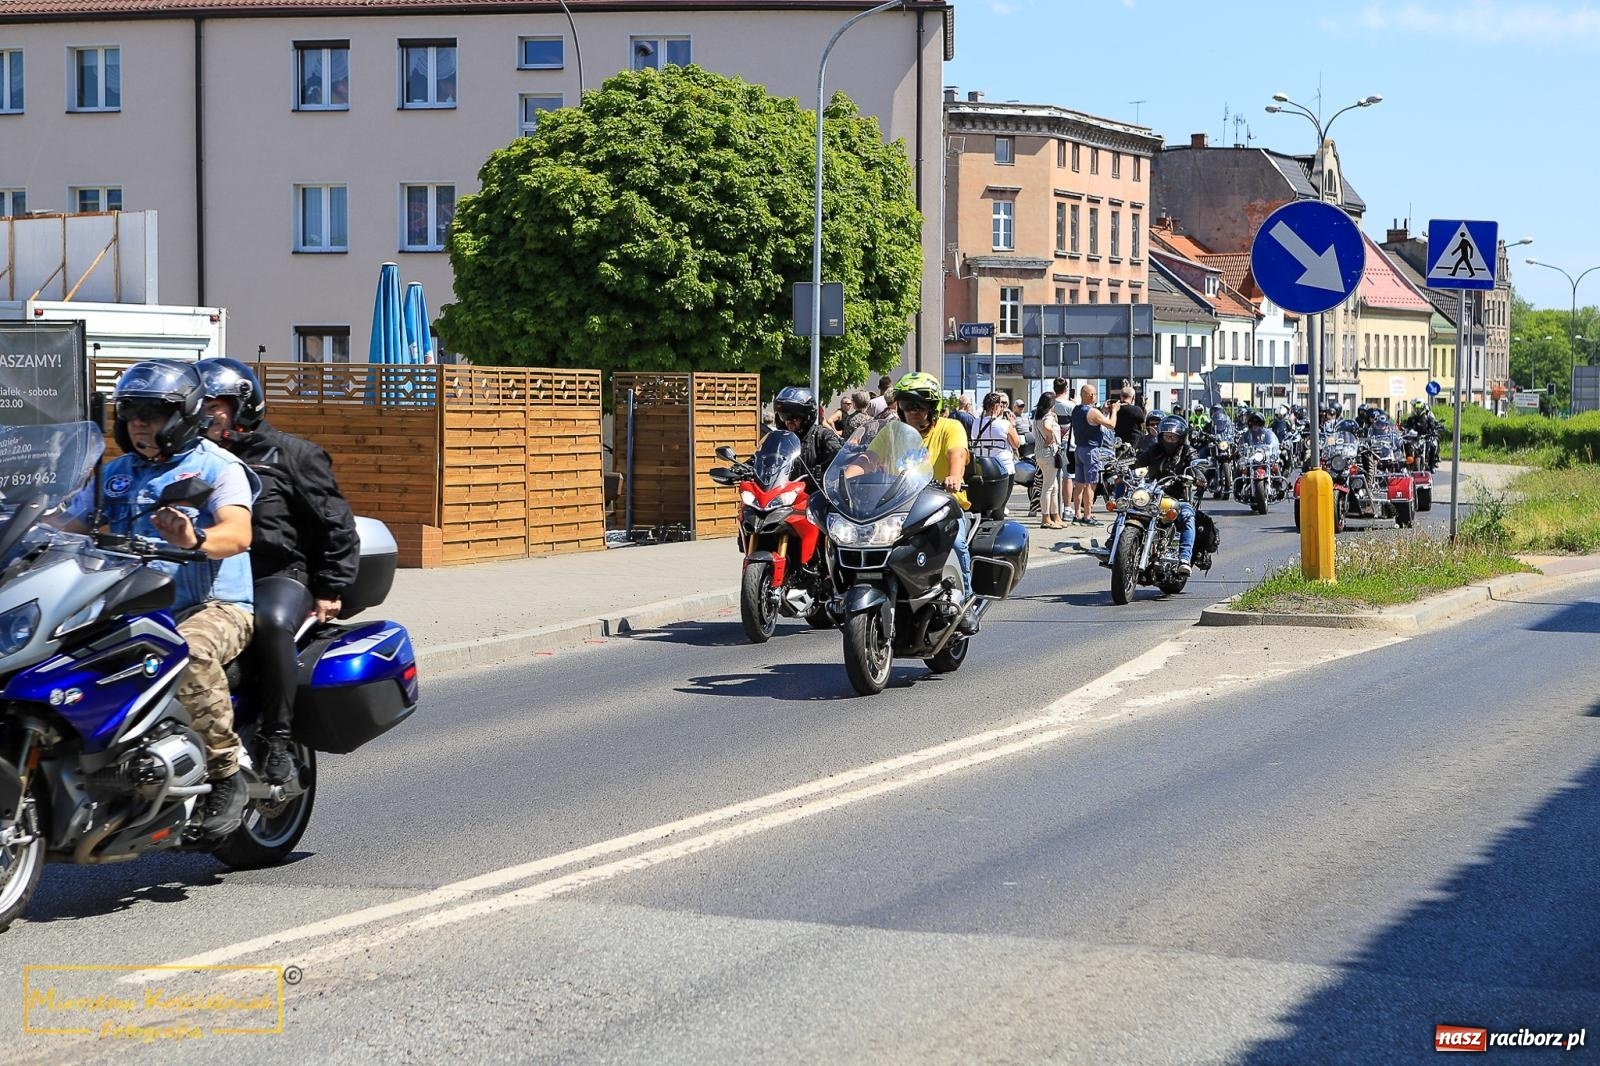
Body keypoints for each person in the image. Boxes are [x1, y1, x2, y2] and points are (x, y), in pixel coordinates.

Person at [75, 360, 259, 835]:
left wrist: (193, 540)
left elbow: (238, 534)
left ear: (182, 416)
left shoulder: (217, 467)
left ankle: (226, 773)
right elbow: (65, 524)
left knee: (189, 651)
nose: (139, 423)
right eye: (132, 412)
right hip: (126, 605)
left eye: (151, 413)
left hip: (211, 606)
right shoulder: (113, 474)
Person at [196, 357, 360, 784]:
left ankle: (278, 738)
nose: (207, 411)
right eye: (201, 402)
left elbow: (335, 523)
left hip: (277, 574)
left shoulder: (291, 454)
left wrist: (331, 586)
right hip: (206, 575)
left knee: (270, 622)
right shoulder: (192, 458)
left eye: (217, 403)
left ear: (243, 406)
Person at [893, 372, 973, 606]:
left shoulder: (950, 427)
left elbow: (956, 453)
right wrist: (847, 476)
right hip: (901, 508)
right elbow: (870, 458)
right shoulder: (895, 434)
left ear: (932, 407)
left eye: (918, 406)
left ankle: (965, 601)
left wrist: (954, 476)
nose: (912, 411)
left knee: (955, 542)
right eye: (907, 405)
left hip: (942, 506)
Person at [1133, 415, 1199, 577]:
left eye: (1173, 437)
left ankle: (1184, 559)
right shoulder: (1154, 450)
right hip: (1152, 495)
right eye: (1166, 436)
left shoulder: (1187, 452)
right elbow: (1138, 462)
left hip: (1178, 498)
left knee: (1188, 516)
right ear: (1161, 436)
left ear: (1180, 438)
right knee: (1127, 507)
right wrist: (1121, 468)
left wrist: (1197, 475)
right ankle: (1114, 542)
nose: (1169, 440)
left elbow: (1196, 465)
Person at [1067, 384, 1118, 525]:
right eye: (1094, 394)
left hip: (1079, 448)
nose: (1095, 396)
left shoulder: (1076, 410)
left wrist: (1102, 410)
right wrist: (1114, 411)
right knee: (1091, 484)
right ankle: (1088, 515)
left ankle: (1077, 513)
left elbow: (1090, 420)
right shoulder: (1093, 412)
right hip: (1091, 450)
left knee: (1079, 484)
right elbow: (1111, 425)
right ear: (1091, 396)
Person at [1032, 392, 1064, 528]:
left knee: (1053, 486)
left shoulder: (1036, 417)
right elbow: (1047, 427)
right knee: (1048, 487)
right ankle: (1046, 518)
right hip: (1049, 453)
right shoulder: (1048, 416)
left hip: (1040, 453)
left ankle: (1055, 516)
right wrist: (1050, 437)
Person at [970, 391, 1022, 476]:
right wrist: (1012, 425)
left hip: (982, 466)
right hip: (1003, 466)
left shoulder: (975, 423)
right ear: (996, 406)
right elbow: (1016, 444)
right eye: (1000, 405)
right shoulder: (1005, 424)